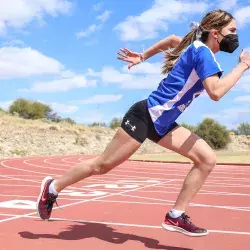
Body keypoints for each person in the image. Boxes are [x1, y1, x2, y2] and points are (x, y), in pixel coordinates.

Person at [36, 9, 250, 237]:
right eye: (233, 31)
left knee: (207, 159)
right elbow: (215, 92)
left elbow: (170, 40)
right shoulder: (203, 54)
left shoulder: (196, 48)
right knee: (102, 166)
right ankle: (52, 187)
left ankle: (175, 216)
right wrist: (243, 66)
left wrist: (143, 56)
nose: (236, 36)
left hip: (164, 122)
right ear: (216, 33)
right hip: (145, 116)